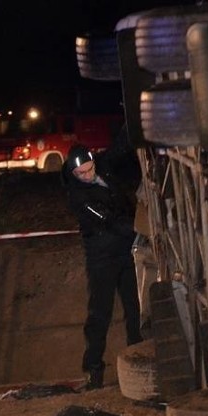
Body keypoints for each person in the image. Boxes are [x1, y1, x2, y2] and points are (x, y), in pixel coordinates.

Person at [63, 139, 142, 390]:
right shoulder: (78, 196)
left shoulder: (103, 165)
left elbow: (120, 149)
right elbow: (108, 220)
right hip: (102, 259)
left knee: (136, 308)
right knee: (100, 313)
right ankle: (94, 369)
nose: (87, 176)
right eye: (81, 174)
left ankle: (139, 362)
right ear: (73, 173)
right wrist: (140, 229)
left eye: (89, 169)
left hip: (127, 251)